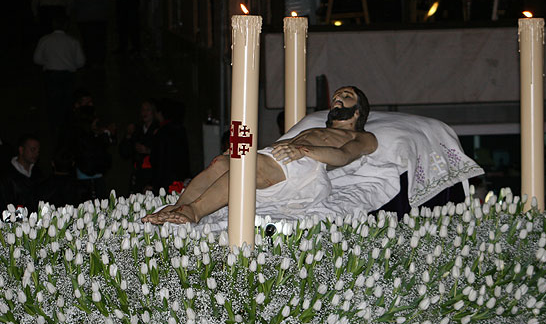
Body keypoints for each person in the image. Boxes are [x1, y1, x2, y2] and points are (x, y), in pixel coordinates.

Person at [142, 86, 377, 225]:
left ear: (357, 111)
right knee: (221, 163)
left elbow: (343, 157)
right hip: (278, 159)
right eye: (336, 94)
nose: (338, 97)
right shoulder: (315, 128)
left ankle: (194, 212)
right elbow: (281, 144)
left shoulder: (363, 137)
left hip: (304, 167)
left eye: (345, 95)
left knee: (244, 167)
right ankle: (176, 210)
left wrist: (303, 150)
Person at [33, 11, 86, 145]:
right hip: (68, 76)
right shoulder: (72, 41)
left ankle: (53, 129)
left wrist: (48, 61)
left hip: (51, 76)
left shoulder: (45, 40)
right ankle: (66, 128)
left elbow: (37, 59)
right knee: (67, 103)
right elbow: (81, 62)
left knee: (52, 103)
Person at [150, 98, 190, 195]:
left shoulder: (162, 132)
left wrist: (154, 184)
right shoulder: (181, 130)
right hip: (179, 179)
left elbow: (158, 160)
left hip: (165, 180)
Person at [119, 100, 159, 195]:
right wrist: (128, 136)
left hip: (154, 174)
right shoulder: (136, 130)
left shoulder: (159, 129)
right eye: (142, 110)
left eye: (148, 110)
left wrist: (148, 151)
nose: (144, 113)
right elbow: (124, 153)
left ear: (153, 112)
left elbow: (165, 154)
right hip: (138, 175)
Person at [0, 134, 43, 213]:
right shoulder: (6, 174)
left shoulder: (37, 173)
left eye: (38, 150)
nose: (36, 153)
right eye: (33, 149)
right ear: (21, 150)